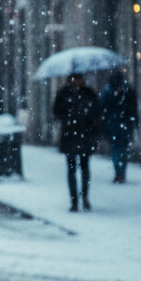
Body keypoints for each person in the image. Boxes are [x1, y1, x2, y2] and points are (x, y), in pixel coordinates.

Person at [52, 73, 100, 212]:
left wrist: (87, 118)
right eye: (72, 79)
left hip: (85, 135)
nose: (75, 82)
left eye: (78, 79)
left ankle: (85, 196)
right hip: (70, 136)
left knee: (85, 168)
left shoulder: (89, 93)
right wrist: (69, 113)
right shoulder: (63, 94)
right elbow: (57, 112)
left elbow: (96, 112)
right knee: (72, 169)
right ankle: (74, 200)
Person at [99, 70, 138, 183]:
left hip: (117, 124)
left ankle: (119, 172)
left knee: (117, 148)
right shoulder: (120, 91)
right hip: (121, 124)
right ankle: (120, 171)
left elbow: (102, 106)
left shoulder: (110, 91)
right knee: (120, 148)